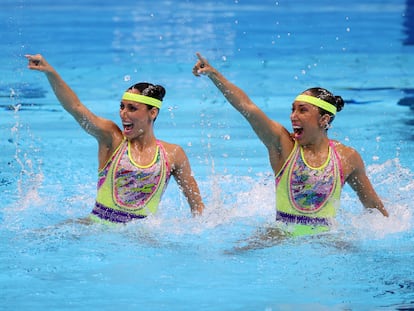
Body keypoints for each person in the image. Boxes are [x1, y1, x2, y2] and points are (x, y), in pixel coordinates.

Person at [193, 52, 388, 237]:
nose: (293, 116)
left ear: (324, 120)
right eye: (293, 109)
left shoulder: (347, 158)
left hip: (327, 240)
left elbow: (374, 209)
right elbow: (248, 108)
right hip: (281, 236)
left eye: (302, 110)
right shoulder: (284, 146)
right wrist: (214, 74)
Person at [25, 54, 204, 224]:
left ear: (153, 112)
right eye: (121, 107)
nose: (123, 114)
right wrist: (51, 72)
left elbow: (198, 209)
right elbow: (76, 108)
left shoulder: (173, 154)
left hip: (142, 239)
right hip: (96, 231)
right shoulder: (112, 139)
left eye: (132, 108)